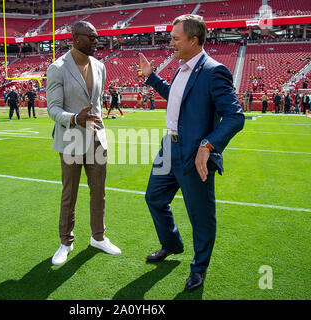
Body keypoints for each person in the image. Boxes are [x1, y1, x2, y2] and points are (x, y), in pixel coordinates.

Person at [139, 14, 244, 292]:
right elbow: (176, 96)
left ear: (194, 40)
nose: (170, 42)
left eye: (176, 38)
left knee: (200, 215)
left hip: (195, 153)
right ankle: (172, 244)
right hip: (169, 148)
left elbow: (235, 117)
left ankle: (199, 268)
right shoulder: (182, 67)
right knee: (154, 198)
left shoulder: (213, 71)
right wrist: (152, 77)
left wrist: (207, 145)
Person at [46, 21, 121, 266]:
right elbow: (53, 109)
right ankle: (65, 242)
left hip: (97, 139)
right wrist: (74, 118)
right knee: (70, 194)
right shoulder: (57, 68)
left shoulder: (100, 66)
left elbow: (96, 103)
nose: (96, 41)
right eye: (91, 37)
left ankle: (98, 237)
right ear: (76, 38)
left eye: (96, 37)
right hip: (70, 138)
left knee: (99, 192)